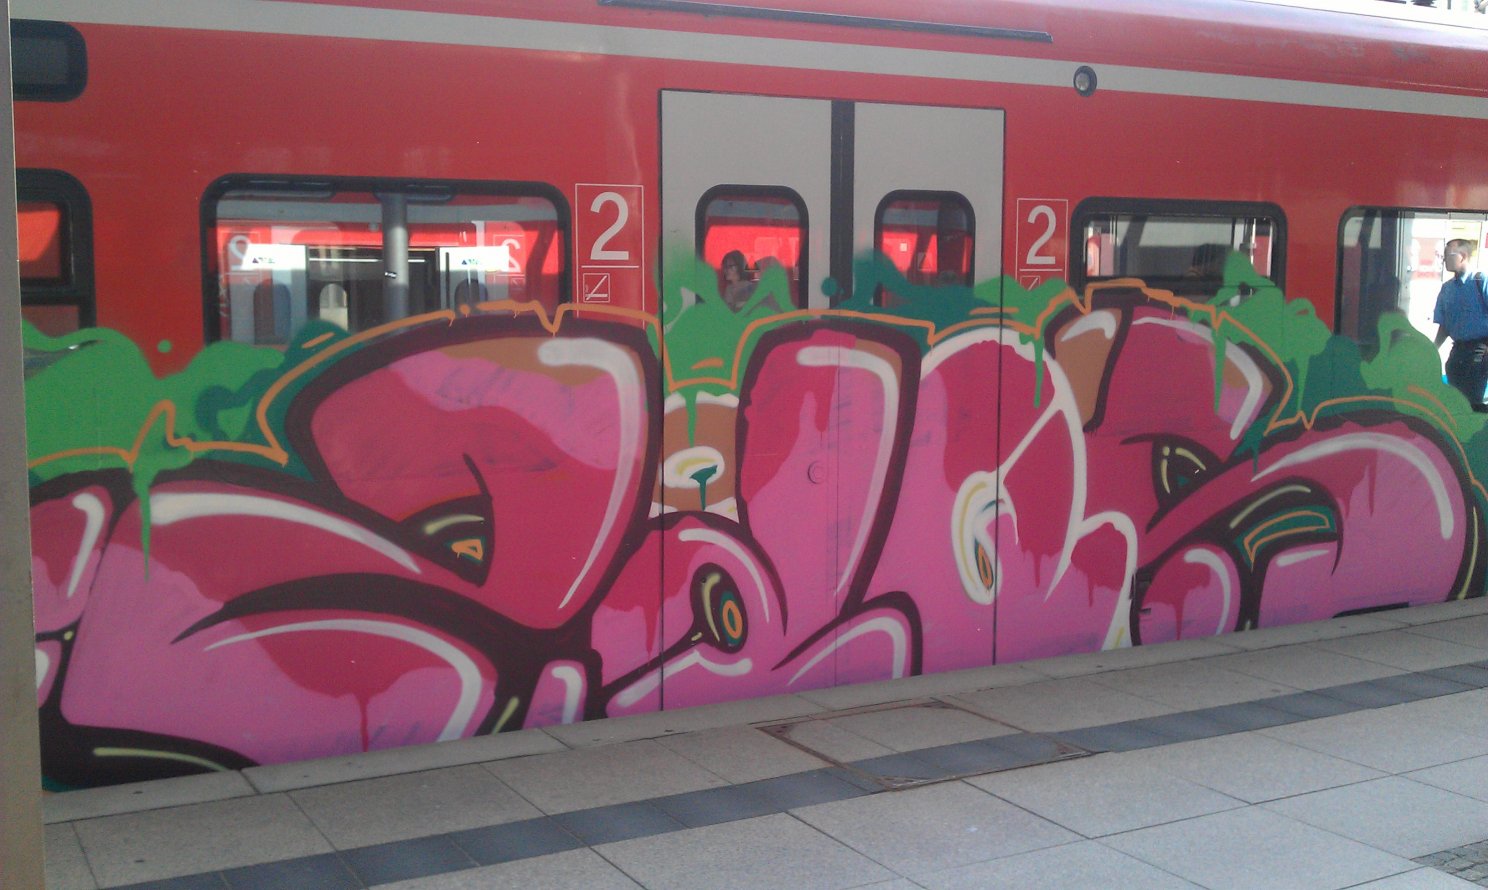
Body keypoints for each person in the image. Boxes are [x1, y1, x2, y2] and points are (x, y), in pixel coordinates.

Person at [1432, 238, 1488, 412]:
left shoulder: (1480, 281)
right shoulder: (1447, 288)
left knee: (1472, 402)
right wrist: (1433, 348)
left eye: (1448, 255)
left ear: (1462, 256)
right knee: (1454, 400)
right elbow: (1445, 325)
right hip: (1457, 351)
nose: (1444, 259)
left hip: (1479, 350)